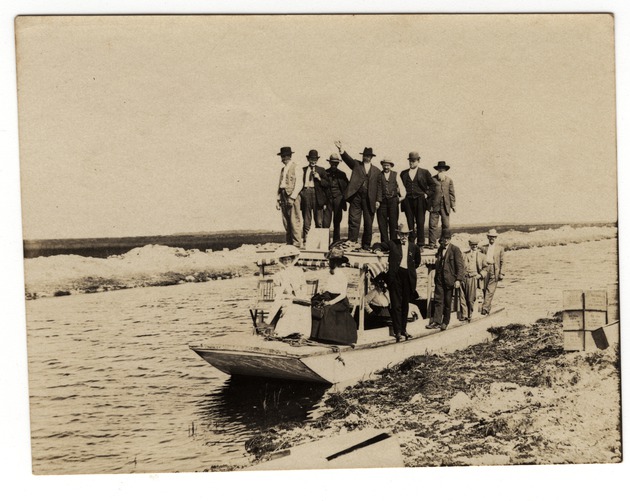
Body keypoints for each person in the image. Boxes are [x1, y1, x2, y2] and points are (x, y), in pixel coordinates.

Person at [372, 221, 422, 342]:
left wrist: (409, 271)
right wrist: (377, 250)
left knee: (405, 305)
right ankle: (397, 331)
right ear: (398, 234)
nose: (404, 237)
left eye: (406, 234)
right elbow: (377, 245)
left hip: (408, 278)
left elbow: (417, 262)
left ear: (408, 235)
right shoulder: (393, 244)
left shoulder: (414, 247)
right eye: (402, 234)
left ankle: (404, 329)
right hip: (395, 278)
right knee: (396, 305)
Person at [334, 140, 381, 250]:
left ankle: (366, 245)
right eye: (365, 155)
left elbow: (379, 187)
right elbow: (347, 159)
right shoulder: (356, 165)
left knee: (368, 223)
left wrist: (378, 200)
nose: (367, 157)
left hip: (370, 199)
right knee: (354, 220)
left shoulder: (377, 171)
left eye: (369, 156)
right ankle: (352, 242)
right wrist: (341, 149)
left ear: (371, 157)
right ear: (363, 156)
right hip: (356, 197)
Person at [310, 247, 358, 346]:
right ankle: (315, 335)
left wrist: (330, 302)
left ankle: (330, 338)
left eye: (330, 261)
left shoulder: (341, 275)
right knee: (315, 305)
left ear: (335, 263)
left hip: (340, 301)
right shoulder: (332, 274)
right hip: (330, 296)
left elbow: (343, 294)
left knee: (328, 309)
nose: (328, 263)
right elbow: (330, 288)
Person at [266, 245, 311, 337]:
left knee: (305, 306)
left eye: (289, 260)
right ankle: (287, 332)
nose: (287, 262)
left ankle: (301, 331)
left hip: (299, 296)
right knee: (291, 306)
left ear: (292, 260)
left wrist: (302, 295)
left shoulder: (298, 271)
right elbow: (277, 290)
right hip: (285, 297)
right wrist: (287, 295)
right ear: (281, 261)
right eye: (285, 260)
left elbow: (303, 285)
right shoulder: (279, 274)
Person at [427, 228, 465, 331]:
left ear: (450, 239)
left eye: (448, 238)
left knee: (448, 302)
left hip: (450, 280)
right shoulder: (440, 249)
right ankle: (436, 321)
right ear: (442, 239)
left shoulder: (455, 250)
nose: (446, 240)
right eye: (444, 238)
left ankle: (445, 322)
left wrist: (458, 279)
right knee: (438, 300)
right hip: (439, 279)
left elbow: (460, 266)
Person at [400, 151, 434, 247]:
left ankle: (420, 244)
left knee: (420, 222)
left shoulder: (425, 172)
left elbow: (432, 186)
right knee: (410, 222)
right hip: (407, 200)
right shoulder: (403, 173)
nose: (411, 163)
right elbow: (400, 187)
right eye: (410, 161)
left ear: (418, 161)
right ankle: (411, 243)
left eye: (413, 161)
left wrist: (426, 195)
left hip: (420, 200)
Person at [276, 146, 304, 248]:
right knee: (286, 221)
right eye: (282, 156)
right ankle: (289, 243)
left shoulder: (296, 167)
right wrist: (278, 198)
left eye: (284, 156)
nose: (283, 159)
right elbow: (280, 184)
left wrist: (292, 197)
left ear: (289, 156)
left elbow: (299, 183)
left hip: (292, 195)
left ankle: (296, 244)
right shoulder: (283, 169)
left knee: (294, 220)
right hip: (283, 195)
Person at [301, 149, 330, 242]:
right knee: (306, 221)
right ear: (308, 159)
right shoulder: (303, 170)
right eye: (311, 159)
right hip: (306, 193)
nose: (313, 161)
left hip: (318, 196)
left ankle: (318, 242)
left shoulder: (321, 170)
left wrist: (319, 178)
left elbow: (327, 184)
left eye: (315, 159)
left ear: (317, 160)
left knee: (319, 221)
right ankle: (306, 241)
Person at [376, 156, 406, 244]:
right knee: (382, 224)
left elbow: (402, 188)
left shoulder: (395, 175)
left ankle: (394, 244)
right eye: (384, 165)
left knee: (393, 223)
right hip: (382, 202)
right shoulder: (379, 175)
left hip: (393, 202)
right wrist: (378, 200)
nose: (386, 167)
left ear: (391, 166)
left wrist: (400, 198)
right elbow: (378, 188)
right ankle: (385, 244)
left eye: (388, 165)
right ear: (382, 165)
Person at [427, 161, 456, 249]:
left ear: (445, 170)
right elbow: (428, 194)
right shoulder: (432, 179)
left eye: (443, 169)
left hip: (445, 206)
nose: (441, 171)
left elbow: (451, 193)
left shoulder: (449, 180)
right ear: (437, 170)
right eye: (440, 169)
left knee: (446, 225)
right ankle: (432, 243)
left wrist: (453, 205)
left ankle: (444, 243)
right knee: (432, 225)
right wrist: (429, 206)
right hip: (434, 206)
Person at [322, 153, 349, 243]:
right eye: (332, 163)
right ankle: (325, 242)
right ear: (329, 163)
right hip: (328, 200)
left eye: (336, 163)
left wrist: (343, 199)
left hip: (339, 200)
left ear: (338, 164)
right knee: (326, 222)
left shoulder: (342, 174)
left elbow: (347, 187)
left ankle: (336, 242)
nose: (334, 165)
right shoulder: (325, 173)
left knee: (337, 221)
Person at [460, 237, 485, 321]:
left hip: (473, 278)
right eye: (472, 245)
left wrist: (480, 275)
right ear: (470, 245)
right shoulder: (464, 254)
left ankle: (470, 314)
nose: (474, 246)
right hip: (463, 277)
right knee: (462, 297)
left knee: (471, 298)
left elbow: (486, 268)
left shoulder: (481, 256)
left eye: (476, 245)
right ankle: (464, 315)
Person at [480, 229, 505, 315]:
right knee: (484, 288)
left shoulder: (500, 248)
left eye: (494, 237)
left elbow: (502, 261)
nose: (492, 238)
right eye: (490, 237)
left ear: (496, 238)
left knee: (490, 290)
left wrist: (502, 273)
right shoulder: (483, 247)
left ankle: (485, 308)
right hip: (485, 269)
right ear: (488, 237)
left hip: (495, 269)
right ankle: (487, 307)